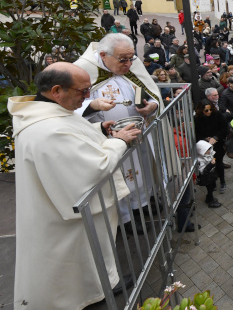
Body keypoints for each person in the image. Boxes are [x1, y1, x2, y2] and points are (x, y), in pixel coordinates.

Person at [9, 62, 140, 309]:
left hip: (63, 213)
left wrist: (98, 129)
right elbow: (94, 169)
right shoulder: (47, 130)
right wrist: (119, 142)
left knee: (95, 257)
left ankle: (104, 283)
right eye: (83, 91)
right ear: (57, 90)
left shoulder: (48, 111)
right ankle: (92, 295)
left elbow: (72, 135)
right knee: (78, 267)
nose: (88, 97)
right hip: (64, 223)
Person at [74, 33, 161, 234]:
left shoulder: (127, 68)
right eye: (123, 60)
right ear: (104, 55)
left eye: (132, 58)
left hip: (137, 136)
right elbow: (67, 108)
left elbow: (150, 94)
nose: (129, 64)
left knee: (141, 174)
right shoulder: (83, 71)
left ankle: (142, 206)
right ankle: (126, 221)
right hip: (107, 141)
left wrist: (152, 106)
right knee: (120, 180)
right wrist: (93, 105)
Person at [194, 99, 227, 198]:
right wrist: (205, 138)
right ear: (201, 110)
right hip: (205, 147)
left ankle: (222, 181)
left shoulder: (218, 115)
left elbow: (224, 128)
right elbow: (196, 133)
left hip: (217, 144)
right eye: (206, 110)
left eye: (210, 110)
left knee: (219, 162)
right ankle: (211, 183)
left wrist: (216, 137)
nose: (209, 112)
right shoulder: (197, 118)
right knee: (208, 166)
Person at [195, 140, 220, 208]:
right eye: (206, 150)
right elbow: (203, 171)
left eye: (209, 149)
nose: (209, 151)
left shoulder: (207, 155)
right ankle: (210, 201)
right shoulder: (200, 160)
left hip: (210, 175)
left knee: (211, 188)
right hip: (206, 178)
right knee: (210, 188)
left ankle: (208, 198)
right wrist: (211, 164)